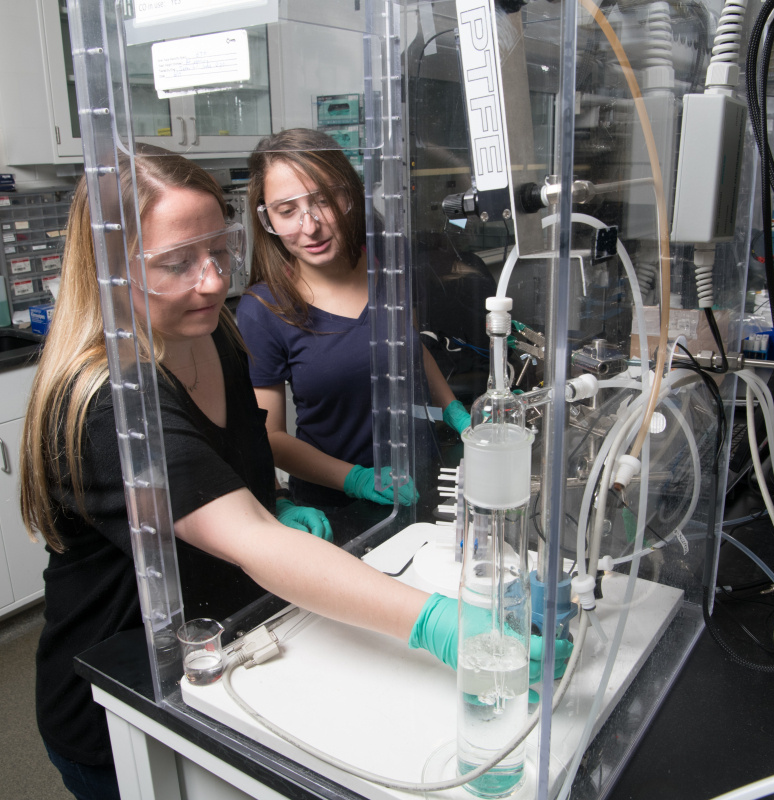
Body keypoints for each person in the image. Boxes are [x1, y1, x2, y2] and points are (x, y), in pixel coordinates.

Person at [19, 145, 569, 800]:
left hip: (225, 649)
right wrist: (439, 623)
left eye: (218, 251)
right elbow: (252, 540)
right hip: (126, 693)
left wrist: (272, 501)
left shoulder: (214, 333)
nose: (212, 280)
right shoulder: (110, 402)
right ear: (109, 273)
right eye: (177, 264)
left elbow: (242, 459)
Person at [237, 128, 472, 511]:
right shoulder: (264, 309)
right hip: (335, 504)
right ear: (267, 218)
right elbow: (271, 437)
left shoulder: (387, 265)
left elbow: (409, 346)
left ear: (349, 195)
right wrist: (353, 479)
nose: (309, 227)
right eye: (287, 211)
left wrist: (453, 411)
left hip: (422, 475)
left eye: (323, 201)